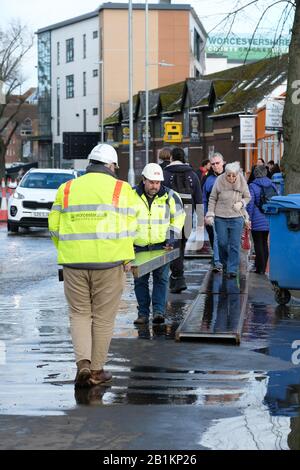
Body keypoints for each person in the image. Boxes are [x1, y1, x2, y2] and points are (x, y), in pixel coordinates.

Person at [48, 144, 137, 388]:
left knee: (78, 314)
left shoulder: (66, 188)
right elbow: (132, 227)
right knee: (103, 318)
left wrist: (68, 249)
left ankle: (82, 365)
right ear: (110, 165)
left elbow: (54, 226)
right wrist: (126, 256)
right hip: (109, 263)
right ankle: (97, 371)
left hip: (74, 262)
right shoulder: (121, 188)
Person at [133, 163, 185, 324]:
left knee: (161, 280)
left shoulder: (170, 196)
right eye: (151, 182)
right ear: (143, 180)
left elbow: (179, 218)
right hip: (138, 247)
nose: (155, 186)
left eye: (157, 182)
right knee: (140, 281)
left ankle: (158, 312)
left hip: (162, 245)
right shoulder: (130, 195)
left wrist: (171, 237)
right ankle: (142, 313)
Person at [163, 146, 202, 293]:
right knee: (181, 246)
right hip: (187, 215)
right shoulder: (192, 174)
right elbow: (198, 198)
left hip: (169, 215)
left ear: (171, 157)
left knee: (171, 245)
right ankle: (178, 277)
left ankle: (176, 277)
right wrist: (200, 221)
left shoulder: (165, 173)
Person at [205, 161, 251, 278]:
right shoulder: (219, 180)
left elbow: (247, 196)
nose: (231, 177)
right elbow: (213, 198)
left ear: (237, 174)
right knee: (222, 243)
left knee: (235, 244)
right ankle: (225, 264)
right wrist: (210, 213)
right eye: (228, 175)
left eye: (233, 175)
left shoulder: (241, 180)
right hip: (221, 217)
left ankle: (232, 269)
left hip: (236, 217)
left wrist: (241, 203)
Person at [246, 165, 277, 274]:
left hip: (256, 218)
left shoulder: (252, 186)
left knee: (258, 243)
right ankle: (263, 268)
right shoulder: (272, 184)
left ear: (255, 173)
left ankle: (260, 269)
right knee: (264, 242)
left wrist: (248, 218)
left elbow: (250, 204)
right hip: (268, 217)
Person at [202, 152, 225, 272]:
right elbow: (204, 199)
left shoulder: (230, 176)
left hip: (230, 213)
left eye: (217, 163)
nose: (215, 166)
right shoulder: (208, 180)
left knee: (228, 240)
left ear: (223, 163)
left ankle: (225, 261)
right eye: (213, 164)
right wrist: (205, 214)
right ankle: (217, 261)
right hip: (214, 214)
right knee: (216, 238)